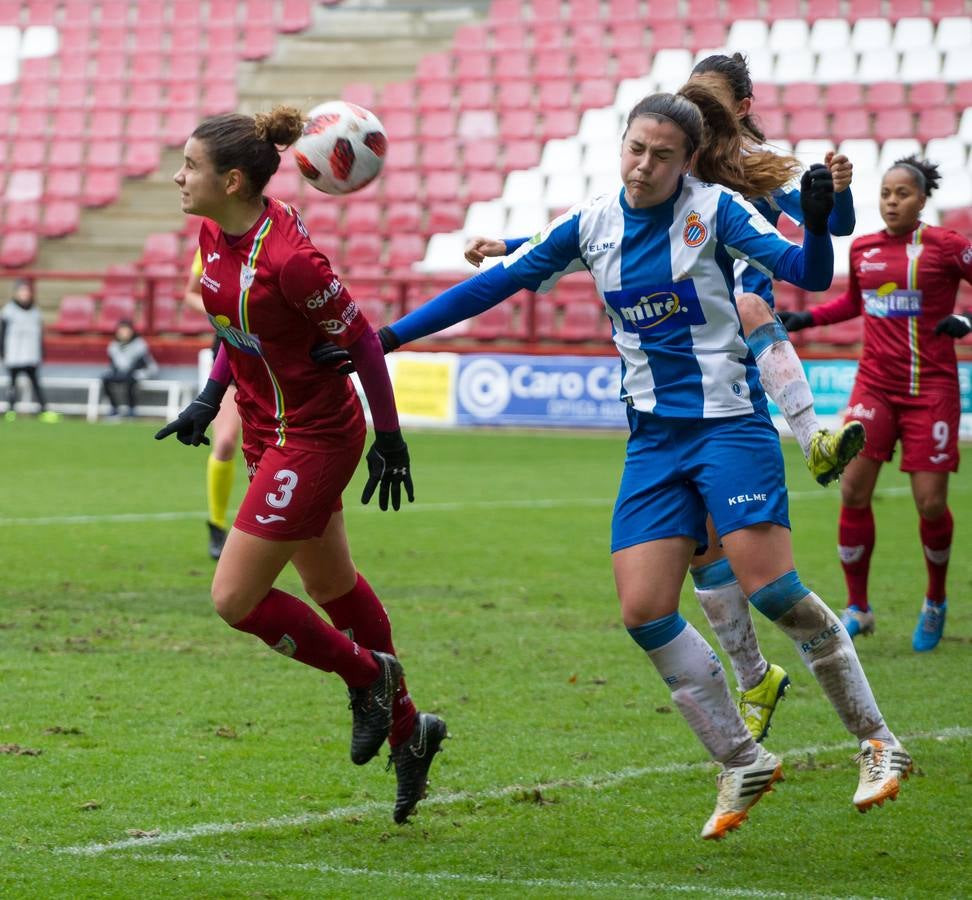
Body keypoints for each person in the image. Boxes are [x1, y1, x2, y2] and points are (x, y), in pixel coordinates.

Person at [375, 90, 912, 839]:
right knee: (644, 610)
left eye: (662, 155)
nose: (645, 166)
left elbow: (810, 273)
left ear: (688, 160)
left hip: (729, 427)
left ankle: (878, 740)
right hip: (654, 440)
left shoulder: (717, 210)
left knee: (776, 592)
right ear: (620, 145)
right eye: (636, 149)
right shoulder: (593, 221)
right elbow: (497, 282)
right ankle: (741, 757)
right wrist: (390, 338)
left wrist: (820, 222)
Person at [459, 53, 865, 748]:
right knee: (704, 551)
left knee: (750, 307)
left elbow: (828, 227)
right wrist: (520, 245)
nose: (691, 109)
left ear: (738, 108)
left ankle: (814, 437)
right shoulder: (669, 161)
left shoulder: (753, 169)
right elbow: (599, 228)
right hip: (675, 368)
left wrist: (837, 199)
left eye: (707, 98)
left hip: (729, 327)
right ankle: (752, 675)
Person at [158, 106, 446, 824]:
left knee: (235, 599)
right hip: (265, 427)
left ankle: (367, 677)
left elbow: (364, 343)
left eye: (188, 166)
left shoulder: (292, 259)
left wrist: (390, 437)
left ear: (230, 179)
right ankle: (411, 733)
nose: (177, 176)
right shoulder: (216, 230)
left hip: (314, 436)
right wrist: (209, 395)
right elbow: (237, 323)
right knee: (331, 584)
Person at [780, 156, 972, 653]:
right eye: (886, 193)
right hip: (876, 389)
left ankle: (934, 600)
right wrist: (807, 320)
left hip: (932, 389)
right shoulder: (863, 248)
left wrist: (965, 323)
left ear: (922, 198)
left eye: (902, 193)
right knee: (853, 492)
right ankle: (859, 608)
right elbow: (853, 306)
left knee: (930, 502)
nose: (892, 201)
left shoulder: (949, 248)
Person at [184, 248, 243, 559]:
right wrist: (219, 314)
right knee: (224, 443)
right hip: (229, 354)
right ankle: (217, 527)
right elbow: (191, 294)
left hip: (274, 358)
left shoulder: (271, 242)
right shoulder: (211, 246)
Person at [1, 278, 59, 422]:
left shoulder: (35, 311)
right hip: (14, 353)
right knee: (13, 383)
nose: (24, 294)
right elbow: (2, 333)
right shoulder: (8, 311)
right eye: (22, 291)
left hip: (31, 353)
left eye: (27, 291)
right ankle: (11, 409)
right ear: (16, 293)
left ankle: (44, 410)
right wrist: (2, 351)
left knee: (35, 383)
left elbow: (39, 334)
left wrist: (41, 350)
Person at [101, 319, 159, 418]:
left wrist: (131, 373)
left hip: (140, 372)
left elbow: (145, 365)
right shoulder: (113, 345)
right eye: (121, 330)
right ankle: (114, 409)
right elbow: (114, 364)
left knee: (130, 380)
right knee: (106, 379)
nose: (123, 333)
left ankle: (132, 410)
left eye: (126, 330)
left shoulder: (140, 344)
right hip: (122, 373)